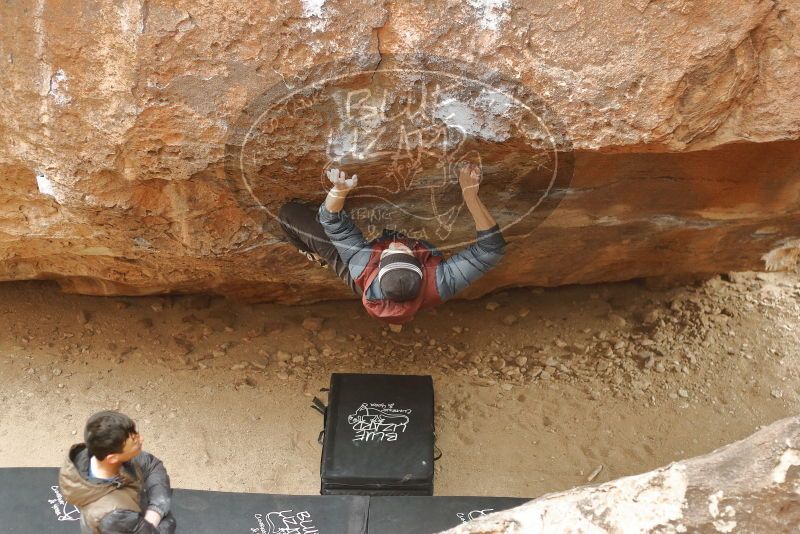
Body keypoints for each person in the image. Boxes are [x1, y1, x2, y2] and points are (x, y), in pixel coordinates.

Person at [279, 162, 506, 324]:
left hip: (358, 275)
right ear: (421, 268)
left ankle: (315, 254)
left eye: (390, 254)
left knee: (289, 213)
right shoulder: (440, 282)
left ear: (378, 269)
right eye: (404, 251)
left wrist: (339, 191)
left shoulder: (362, 263)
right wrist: (470, 196)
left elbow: (333, 221)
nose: (395, 245)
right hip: (373, 270)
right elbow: (491, 250)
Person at [59, 411, 176, 534]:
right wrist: (160, 520)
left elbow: (152, 465)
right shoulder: (112, 515)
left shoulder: (104, 454)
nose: (141, 439)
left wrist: (156, 509)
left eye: (136, 434)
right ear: (112, 458)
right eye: (134, 441)